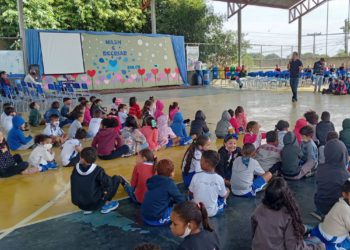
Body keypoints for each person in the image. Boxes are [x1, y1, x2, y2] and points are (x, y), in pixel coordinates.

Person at [251, 177, 325, 250]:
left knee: (304, 228)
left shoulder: (259, 209)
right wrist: (318, 247)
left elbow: (254, 232)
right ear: (287, 195)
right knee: (316, 240)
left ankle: (305, 229)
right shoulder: (288, 215)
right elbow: (294, 248)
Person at [70, 147, 128, 214]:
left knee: (90, 184)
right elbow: (108, 183)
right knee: (116, 179)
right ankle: (106, 203)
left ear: (81, 158)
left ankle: (88, 208)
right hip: (94, 203)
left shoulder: (75, 169)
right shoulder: (97, 170)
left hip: (80, 204)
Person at [141, 159, 185, 226]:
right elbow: (181, 200)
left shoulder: (152, 180)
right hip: (155, 220)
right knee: (179, 210)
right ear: (171, 173)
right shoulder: (169, 183)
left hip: (144, 216)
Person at [314, 139, 350, 218]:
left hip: (319, 204)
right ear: (344, 154)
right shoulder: (345, 175)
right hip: (334, 208)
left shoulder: (320, 168)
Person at [311, 180, 350, 250]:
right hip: (330, 239)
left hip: (320, 230)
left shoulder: (340, 202)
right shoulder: (346, 210)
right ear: (345, 194)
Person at [189, 150, 229, 217]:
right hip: (210, 212)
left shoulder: (196, 176)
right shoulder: (219, 179)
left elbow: (190, 193)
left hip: (196, 211)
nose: (200, 162)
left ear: (206, 163)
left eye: (201, 160)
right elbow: (223, 195)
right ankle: (223, 203)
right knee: (227, 190)